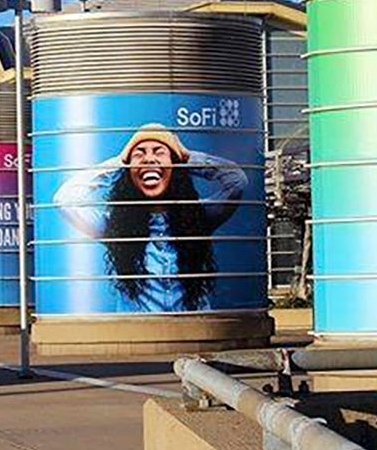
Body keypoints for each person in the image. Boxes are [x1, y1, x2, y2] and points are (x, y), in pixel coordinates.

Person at [54, 123, 247, 312]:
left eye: (158, 152)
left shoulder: (199, 217)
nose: (149, 159)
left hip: (195, 333)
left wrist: (187, 159)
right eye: (139, 153)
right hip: (140, 336)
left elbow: (237, 181)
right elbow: (65, 200)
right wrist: (120, 163)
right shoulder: (114, 226)